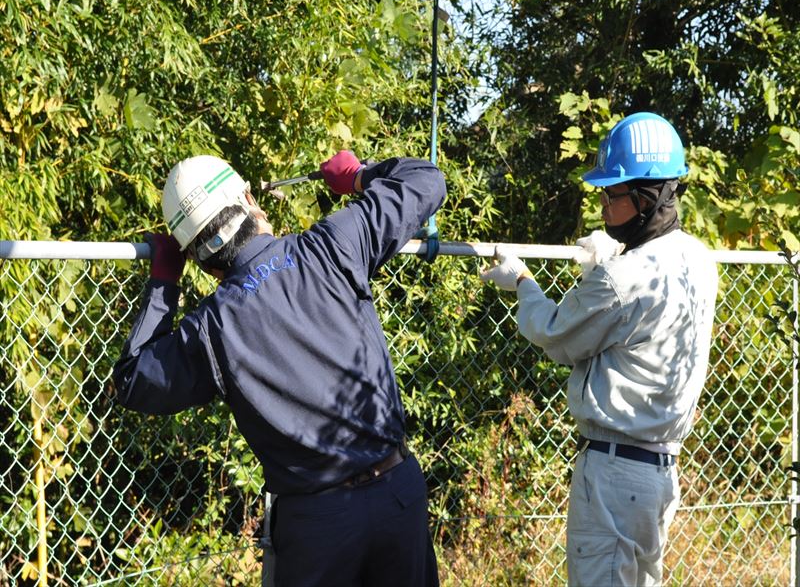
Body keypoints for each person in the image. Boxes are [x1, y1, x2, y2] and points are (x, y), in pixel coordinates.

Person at [112, 150, 445, 587]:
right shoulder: (332, 246)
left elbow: (133, 381)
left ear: (198, 260)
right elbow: (426, 181)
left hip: (316, 525)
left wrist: (162, 283)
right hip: (396, 494)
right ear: (250, 199)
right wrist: (358, 176)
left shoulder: (211, 329)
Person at [479, 112, 718, 586]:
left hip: (613, 473)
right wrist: (612, 256)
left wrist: (522, 281)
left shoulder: (621, 280)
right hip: (659, 475)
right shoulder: (698, 259)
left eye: (612, 194)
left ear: (648, 195)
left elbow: (555, 334)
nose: (604, 206)